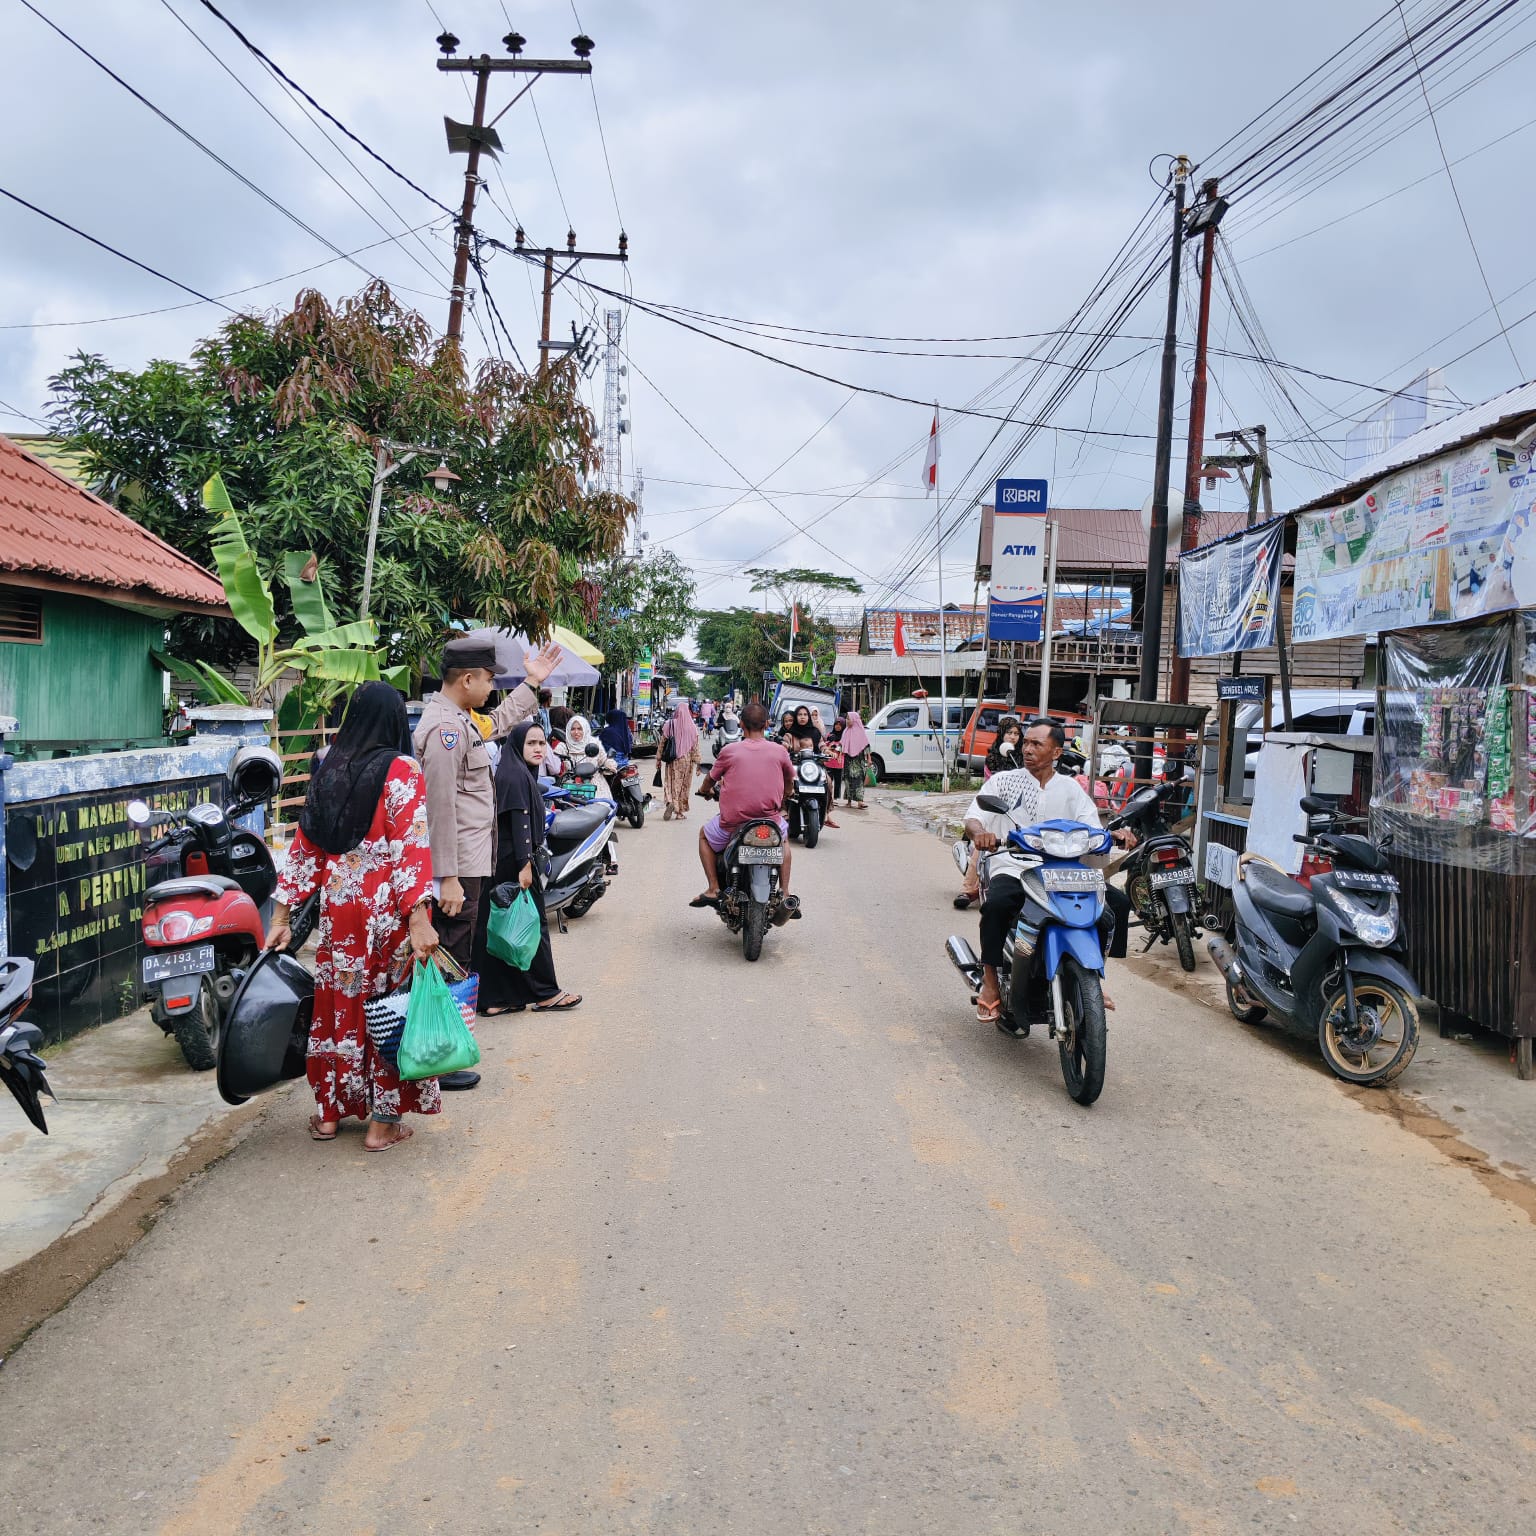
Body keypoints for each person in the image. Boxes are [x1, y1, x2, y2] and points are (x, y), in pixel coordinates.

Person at [265, 682, 441, 1151]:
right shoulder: (402, 769)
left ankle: (328, 1113)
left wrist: (281, 916)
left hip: (338, 907)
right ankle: (383, 1124)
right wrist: (419, 916)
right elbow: (411, 847)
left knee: (339, 1005)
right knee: (386, 1007)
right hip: (384, 910)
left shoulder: (329, 767)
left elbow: (304, 848)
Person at [414, 635, 562, 1091]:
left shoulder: (459, 720)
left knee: (458, 955)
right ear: (467, 679)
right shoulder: (445, 730)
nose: (491, 687)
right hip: (457, 868)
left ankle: (447, 1049)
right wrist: (448, 878)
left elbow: (496, 722)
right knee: (451, 956)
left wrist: (532, 683)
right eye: (490, 679)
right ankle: (439, 1057)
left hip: (470, 862)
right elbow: (439, 807)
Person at [964, 718, 1136, 1033]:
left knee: (1117, 905)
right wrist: (981, 833)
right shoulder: (1005, 781)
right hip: (1015, 865)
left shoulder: (1071, 789)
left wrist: (1116, 834)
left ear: (1056, 752)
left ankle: (1092, 979)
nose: (1027, 749)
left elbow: (1093, 828)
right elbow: (974, 817)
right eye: (1025, 743)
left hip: (1063, 871)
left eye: (1036, 744)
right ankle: (990, 982)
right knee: (998, 905)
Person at [476, 720, 582, 1015]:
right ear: (517, 745)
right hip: (516, 863)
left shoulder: (513, 771)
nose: (538, 748)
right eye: (531, 743)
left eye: (541, 743)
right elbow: (520, 823)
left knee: (500, 929)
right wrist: (525, 865)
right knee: (532, 927)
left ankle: (497, 998)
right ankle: (546, 993)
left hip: (503, 862)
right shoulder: (515, 776)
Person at [691, 701, 800, 914]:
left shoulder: (729, 751)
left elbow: (710, 780)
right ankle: (785, 892)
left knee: (704, 835)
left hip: (733, 824)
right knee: (783, 840)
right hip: (770, 821)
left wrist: (705, 791)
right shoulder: (779, 751)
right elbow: (789, 780)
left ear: (740, 724)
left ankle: (714, 888)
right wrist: (788, 794)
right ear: (767, 724)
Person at [661, 697, 701, 820]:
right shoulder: (692, 727)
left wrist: (658, 759)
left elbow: (662, 743)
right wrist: (698, 764)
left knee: (671, 783)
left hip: (672, 760)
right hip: (687, 761)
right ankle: (679, 813)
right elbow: (695, 747)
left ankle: (671, 801)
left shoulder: (669, 724)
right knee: (684, 785)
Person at [841, 710, 872, 808]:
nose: (846, 721)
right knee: (848, 780)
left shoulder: (860, 731)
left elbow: (866, 746)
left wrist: (869, 758)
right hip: (848, 760)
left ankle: (860, 802)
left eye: (848, 719)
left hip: (859, 760)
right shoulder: (846, 731)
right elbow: (842, 744)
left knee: (859, 781)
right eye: (846, 719)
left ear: (854, 720)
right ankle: (849, 801)